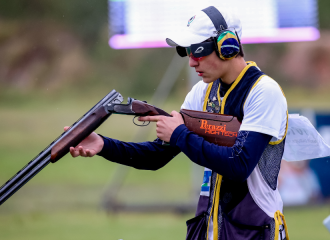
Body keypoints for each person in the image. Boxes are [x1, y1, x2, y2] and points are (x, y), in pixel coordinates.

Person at [65, 6, 289, 240]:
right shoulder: (201, 93)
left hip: (253, 231)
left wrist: (180, 134)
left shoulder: (263, 92)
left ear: (227, 46)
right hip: (208, 230)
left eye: (198, 52)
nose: (192, 62)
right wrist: (103, 144)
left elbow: (239, 165)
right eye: (188, 52)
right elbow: (156, 156)